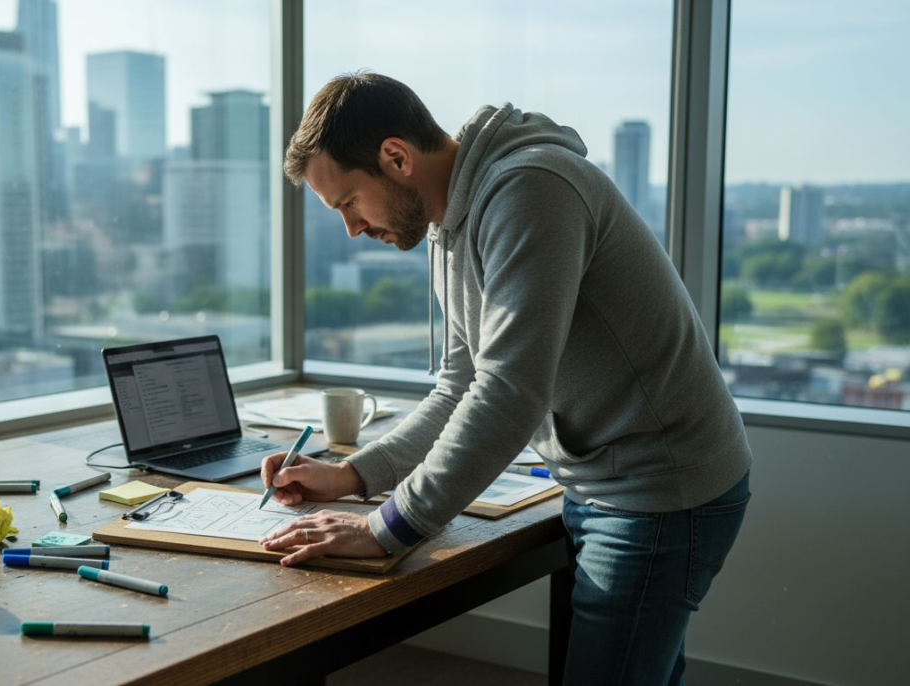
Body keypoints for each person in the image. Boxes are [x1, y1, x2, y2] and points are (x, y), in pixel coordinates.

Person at [257, 72, 752, 683]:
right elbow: (461, 384)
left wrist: (385, 529)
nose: (352, 228)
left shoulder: (530, 189)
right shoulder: (449, 226)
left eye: (348, 202)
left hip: (660, 488)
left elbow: (510, 391)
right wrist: (353, 475)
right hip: (606, 482)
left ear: (395, 156)